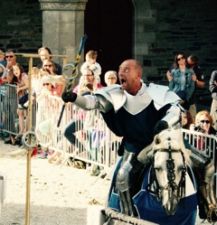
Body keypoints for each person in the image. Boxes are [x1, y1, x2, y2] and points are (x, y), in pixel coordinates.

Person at [62, 59, 183, 216]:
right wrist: (73, 97)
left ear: (138, 74)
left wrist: (164, 123)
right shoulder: (114, 94)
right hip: (134, 146)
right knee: (122, 175)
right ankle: (126, 214)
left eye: (126, 69)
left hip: (164, 141)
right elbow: (90, 103)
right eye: (120, 69)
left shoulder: (157, 92)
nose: (121, 73)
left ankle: (208, 204)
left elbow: (176, 110)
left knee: (204, 163)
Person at [13, 63, 29, 143]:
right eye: (14, 70)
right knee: (20, 113)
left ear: (20, 69)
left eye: (16, 69)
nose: (15, 71)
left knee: (26, 114)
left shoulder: (23, 75)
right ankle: (21, 131)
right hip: (23, 97)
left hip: (28, 96)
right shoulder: (18, 78)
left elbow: (28, 85)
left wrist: (20, 88)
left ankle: (25, 131)